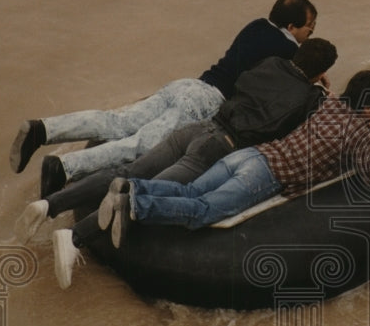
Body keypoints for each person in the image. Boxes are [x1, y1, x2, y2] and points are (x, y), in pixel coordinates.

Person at [50, 71, 370, 289]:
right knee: (202, 210)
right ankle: (136, 201)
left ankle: (133, 187)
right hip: (264, 176)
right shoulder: (358, 135)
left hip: (247, 155)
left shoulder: (329, 106)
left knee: (190, 189)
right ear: (368, 106)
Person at [17, 36, 338, 248]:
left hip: (200, 127)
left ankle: (50, 205)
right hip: (220, 148)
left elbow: (245, 84)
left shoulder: (269, 63)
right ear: (320, 72)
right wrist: (318, 89)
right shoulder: (308, 97)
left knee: (129, 171)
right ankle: (73, 240)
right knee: (141, 192)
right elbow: (303, 124)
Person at [10, 0, 317, 195]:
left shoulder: (256, 25)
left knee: (118, 123)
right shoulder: (288, 48)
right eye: (308, 29)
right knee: (139, 146)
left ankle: (43, 129)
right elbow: (290, 70)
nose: (308, 36)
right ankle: (64, 167)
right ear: (291, 27)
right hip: (206, 103)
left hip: (189, 85)